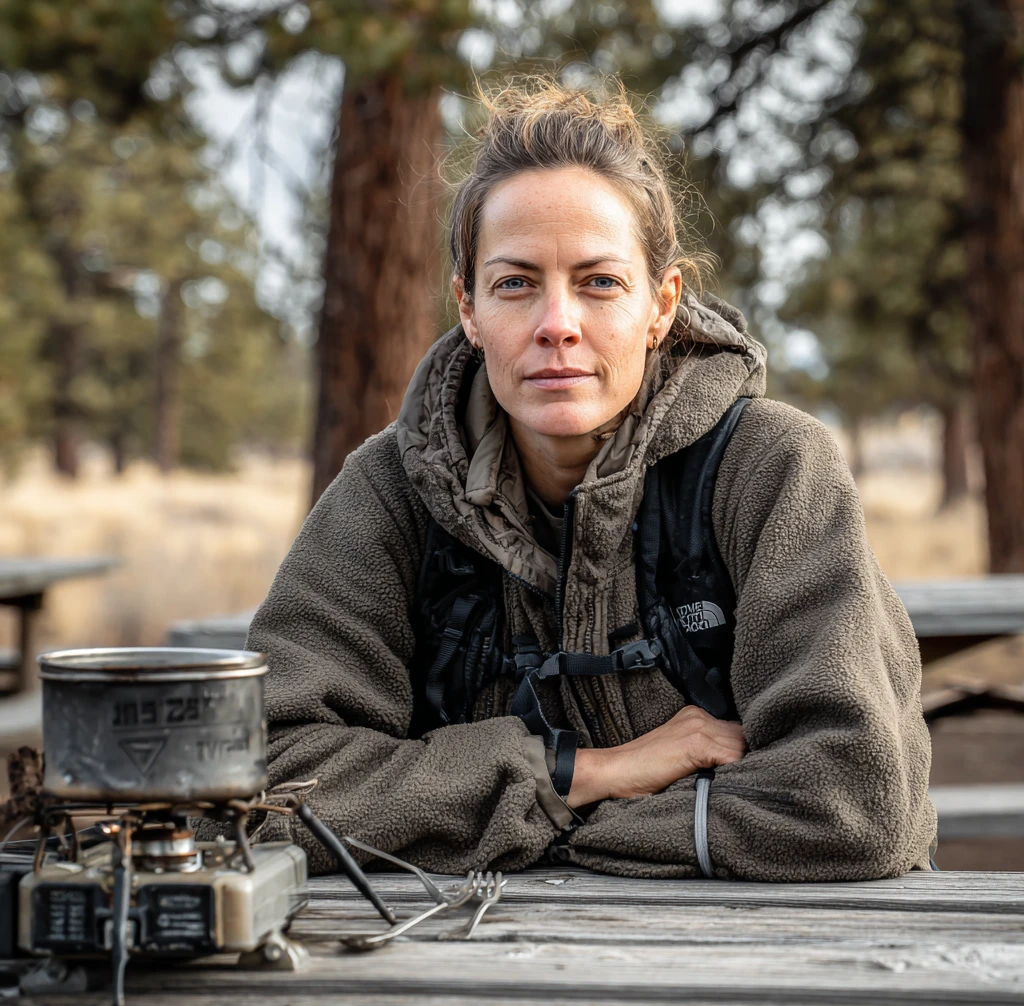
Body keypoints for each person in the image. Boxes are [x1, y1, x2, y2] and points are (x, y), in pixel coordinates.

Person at [244, 75, 936, 881]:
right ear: (468, 308)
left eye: (599, 282)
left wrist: (550, 829)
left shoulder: (771, 470)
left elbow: (855, 806)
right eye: (515, 283)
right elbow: (269, 780)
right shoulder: (390, 491)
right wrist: (584, 773)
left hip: (780, 962)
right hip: (475, 967)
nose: (557, 325)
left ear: (661, 304)